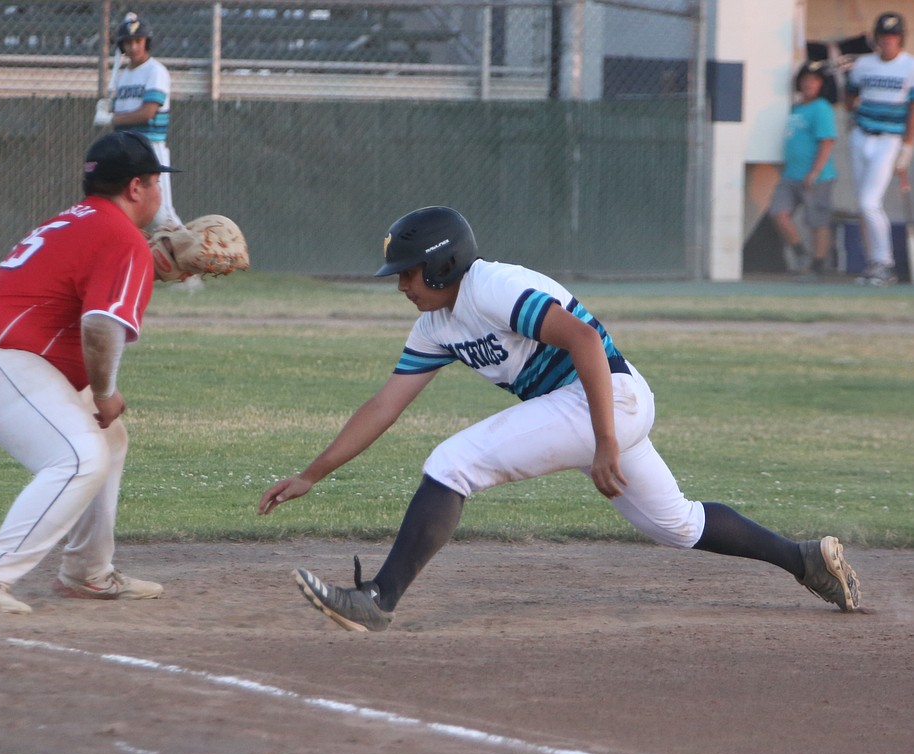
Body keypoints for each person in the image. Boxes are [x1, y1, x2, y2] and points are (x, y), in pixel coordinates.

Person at [258, 206, 862, 633]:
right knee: (677, 525)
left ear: (443, 267)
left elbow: (586, 343)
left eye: (409, 274)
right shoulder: (436, 326)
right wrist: (314, 473)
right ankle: (805, 560)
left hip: (607, 398)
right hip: (590, 409)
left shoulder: (493, 286)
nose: (402, 287)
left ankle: (377, 600)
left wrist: (604, 441)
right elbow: (384, 405)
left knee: (453, 463)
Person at [0, 130, 177, 614]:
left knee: (109, 439)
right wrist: (104, 391)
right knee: (80, 456)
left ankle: (88, 572)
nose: (158, 192)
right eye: (155, 182)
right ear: (135, 188)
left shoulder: (82, 219)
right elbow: (100, 323)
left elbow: (78, 292)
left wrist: (149, 263)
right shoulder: (121, 235)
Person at [94, 11, 181, 231]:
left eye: (138, 41)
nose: (133, 47)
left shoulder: (155, 71)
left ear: (146, 42)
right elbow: (121, 119)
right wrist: (108, 109)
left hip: (150, 148)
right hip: (127, 149)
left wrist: (112, 117)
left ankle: (187, 258)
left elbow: (148, 112)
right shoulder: (123, 77)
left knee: (162, 214)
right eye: (128, 42)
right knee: (131, 209)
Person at [845, 11, 914, 287]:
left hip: (890, 139)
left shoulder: (909, 66)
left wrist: (908, 145)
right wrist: (853, 113)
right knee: (864, 204)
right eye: (884, 36)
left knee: (869, 202)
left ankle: (884, 263)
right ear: (876, 38)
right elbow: (850, 92)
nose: (888, 41)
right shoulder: (863, 64)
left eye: (893, 36)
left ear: (901, 38)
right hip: (862, 135)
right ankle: (874, 262)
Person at [769, 60, 837, 281]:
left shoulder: (821, 108)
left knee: (817, 221)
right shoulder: (795, 108)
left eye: (815, 80)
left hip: (816, 176)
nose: (809, 84)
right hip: (791, 174)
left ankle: (818, 265)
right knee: (778, 212)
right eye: (806, 79)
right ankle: (801, 252)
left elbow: (826, 141)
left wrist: (815, 171)